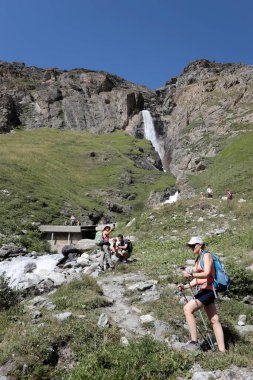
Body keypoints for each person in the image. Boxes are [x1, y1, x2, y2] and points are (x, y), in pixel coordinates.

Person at [178, 236, 225, 352]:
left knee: (187, 309)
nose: (191, 248)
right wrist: (185, 286)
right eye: (190, 246)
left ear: (200, 245)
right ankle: (223, 351)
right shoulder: (198, 259)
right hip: (205, 290)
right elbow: (199, 280)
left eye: (193, 246)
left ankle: (194, 342)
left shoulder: (206, 255)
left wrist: (191, 274)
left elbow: (207, 273)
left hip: (209, 290)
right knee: (214, 320)